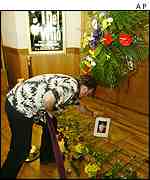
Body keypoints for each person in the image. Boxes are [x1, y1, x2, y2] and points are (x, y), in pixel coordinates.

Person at [1, 73, 97, 178]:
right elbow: (48, 99)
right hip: (19, 107)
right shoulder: (71, 88)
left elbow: (80, 105)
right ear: (84, 87)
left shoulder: (74, 84)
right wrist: (50, 111)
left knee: (51, 123)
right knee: (21, 150)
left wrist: (92, 113)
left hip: (25, 102)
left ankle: (47, 156)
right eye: (87, 92)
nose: (85, 94)